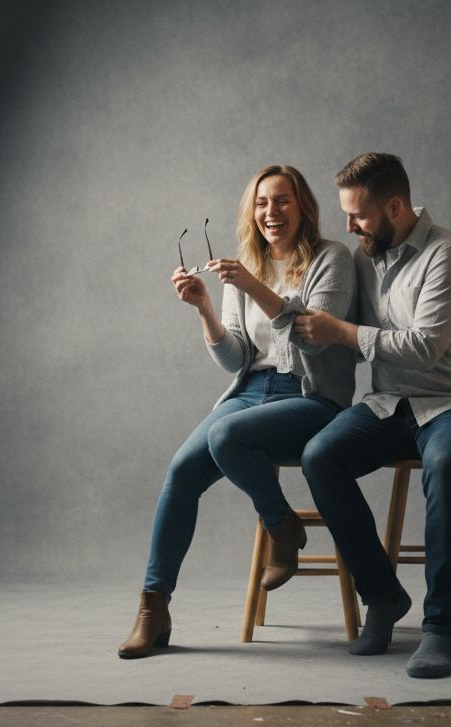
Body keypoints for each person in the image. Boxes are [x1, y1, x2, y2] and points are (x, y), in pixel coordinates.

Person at [119, 165, 357, 659]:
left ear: (303, 206)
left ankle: (280, 525)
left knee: (225, 438)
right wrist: (205, 308)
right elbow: (237, 359)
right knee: (182, 470)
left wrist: (252, 287)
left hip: (311, 396)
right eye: (263, 202)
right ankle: (153, 608)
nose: (272, 212)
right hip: (250, 392)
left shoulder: (331, 259)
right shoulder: (244, 266)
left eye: (283, 200)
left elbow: (312, 341)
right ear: (253, 211)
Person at [294, 152, 451, 678]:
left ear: (396, 206)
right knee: (320, 456)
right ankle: (383, 598)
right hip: (390, 407)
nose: (349, 226)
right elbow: (332, 312)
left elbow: (425, 346)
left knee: (447, 465)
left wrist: (341, 334)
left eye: (358, 215)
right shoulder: (364, 256)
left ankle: (438, 631)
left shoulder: (448, 254)